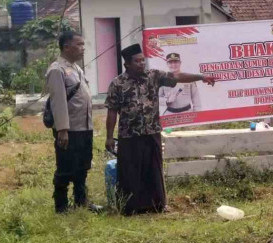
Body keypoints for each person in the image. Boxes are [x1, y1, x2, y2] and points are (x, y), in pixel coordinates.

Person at [105, 44, 215, 214]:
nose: (142, 64)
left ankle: (157, 205)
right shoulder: (117, 83)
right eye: (137, 61)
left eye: (143, 60)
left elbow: (177, 76)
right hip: (129, 135)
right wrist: (109, 137)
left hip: (152, 132)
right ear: (127, 64)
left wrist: (201, 77)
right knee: (130, 172)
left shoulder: (153, 76)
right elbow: (112, 111)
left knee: (153, 170)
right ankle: (130, 208)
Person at [45, 31, 99, 213]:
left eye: (83, 45)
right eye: (79, 45)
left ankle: (81, 201)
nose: (83, 49)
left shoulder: (76, 69)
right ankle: (61, 206)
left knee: (82, 166)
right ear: (66, 47)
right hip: (69, 129)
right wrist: (62, 130)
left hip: (84, 127)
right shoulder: (56, 70)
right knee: (65, 167)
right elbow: (58, 101)